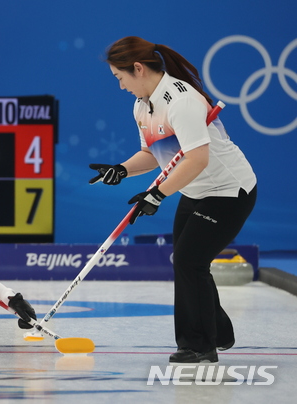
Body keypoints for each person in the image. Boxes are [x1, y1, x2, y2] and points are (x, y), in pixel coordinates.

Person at [90, 36, 257, 364]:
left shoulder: (181, 100)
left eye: (119, 77)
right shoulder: (142, 105)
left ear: (137, 69)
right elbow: (153, 154)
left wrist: (157, 195)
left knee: (188, 261)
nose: (121, 86)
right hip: (194, 190)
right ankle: (219, 330)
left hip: (228, 192)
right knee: (187, 261)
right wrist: (121, 170)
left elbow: (196, 159)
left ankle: (199, 346)